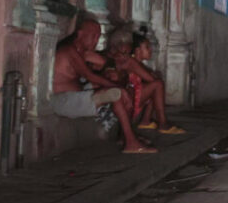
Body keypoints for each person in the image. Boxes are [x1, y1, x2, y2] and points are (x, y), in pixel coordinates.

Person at [51, 18, 156, 154]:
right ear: (81, 34)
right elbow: (91, 76)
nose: (96, 40)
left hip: (77, 97)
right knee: (115, 94)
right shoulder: (70, 51)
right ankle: (131, 142)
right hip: (63, 101)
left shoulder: (83, 52)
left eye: (98, 37)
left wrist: (114, 68)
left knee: (123, 89)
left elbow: (105, 64)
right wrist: (119, 88)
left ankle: (127, 137)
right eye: (93, 36)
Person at [109, 26, 186, 135]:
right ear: (137, 50)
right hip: (129, 99)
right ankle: (163, 123)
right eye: (147, 47)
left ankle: (145, 120)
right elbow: (151, 79)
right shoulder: (131, 62)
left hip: (131, 96)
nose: (150, 50)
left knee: (155, 84)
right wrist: (153, 76)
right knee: (158, 84)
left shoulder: (135, 62)